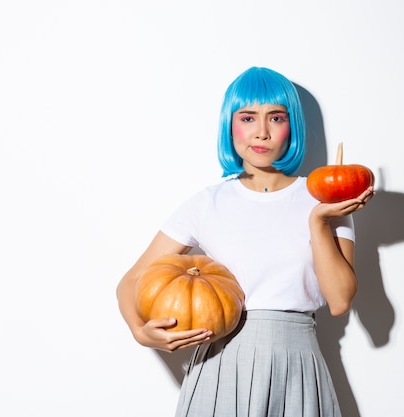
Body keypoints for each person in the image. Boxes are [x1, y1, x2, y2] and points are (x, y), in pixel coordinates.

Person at [116, 66, 374, 416]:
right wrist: (141, 332)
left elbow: (340, 300)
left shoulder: (326, 199)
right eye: (248, 117)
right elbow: (132, 280)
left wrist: (318, 222)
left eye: (276, 118)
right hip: (221, 365)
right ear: (230, 125)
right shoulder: (207, 203)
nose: (262, 132)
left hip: (296, 364)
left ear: (291, 126)